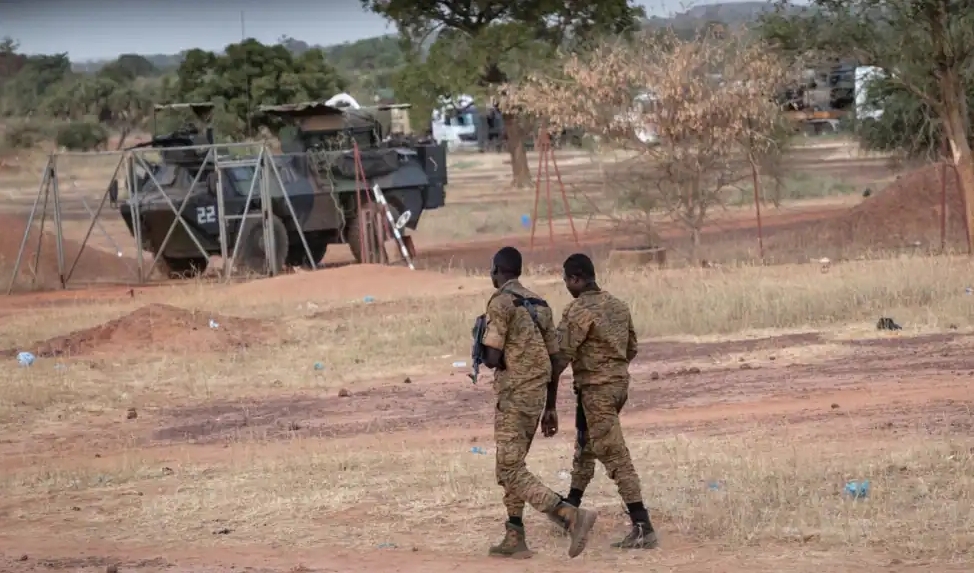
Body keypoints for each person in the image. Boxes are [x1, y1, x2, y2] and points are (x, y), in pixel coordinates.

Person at [479, 246, 598, 559]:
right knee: (511, 464)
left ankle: (568, 515)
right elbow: (555, 359)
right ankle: (514, 534)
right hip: (535, 396)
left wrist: (480, 345)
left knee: (508, 467)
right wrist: (550, 406)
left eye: (492, 270)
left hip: (514, 396)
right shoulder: (540, 304)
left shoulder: (501, 302)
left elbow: (492, 356)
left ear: (498, 271)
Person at [541, 252, 659, 549]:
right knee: (585, 446)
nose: (567, 286)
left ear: (576, 278)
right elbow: (631, 348)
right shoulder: (618, 306)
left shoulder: (577, 311)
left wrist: (550, 406)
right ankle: (570, 509)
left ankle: (642, 524)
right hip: (617, 386)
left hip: (596, 391)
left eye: (567, 280)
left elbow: (558, 361)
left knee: (614, 455)